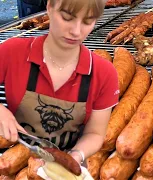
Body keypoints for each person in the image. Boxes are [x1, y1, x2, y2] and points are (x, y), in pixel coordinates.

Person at [0, 0, 119, 165]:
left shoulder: (104, 74)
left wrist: (75, 157)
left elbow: (95, 134)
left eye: (87, 21)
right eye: (67, 17)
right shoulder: (12, 52)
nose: (76, 31)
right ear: (49, 7)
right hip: (11, 158)